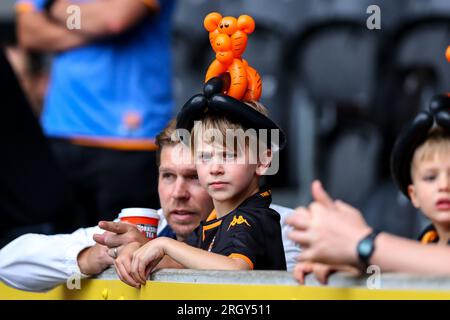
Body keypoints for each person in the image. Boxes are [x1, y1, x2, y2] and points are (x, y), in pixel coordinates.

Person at [0, 120, 298, 292]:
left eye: (193, 177)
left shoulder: (284, 225)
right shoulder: (143, 223)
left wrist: (161, 249)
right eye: (168, 176)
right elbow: (9, 262)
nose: (178, 193)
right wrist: (98, 255)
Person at [115, 76, 288, 287]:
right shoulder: (215, 219)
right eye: (205, 157)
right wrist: (139, 251)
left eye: (229, 155)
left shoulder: (253, 218)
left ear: (262, 161)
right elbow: (189, 264)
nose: (215, 168)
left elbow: (235, 269)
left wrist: (164, 244)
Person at [15, 0, 175, 229]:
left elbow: (115, 19)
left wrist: (55, 8)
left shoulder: (57, 6)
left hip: (130, 141)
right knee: (59, 254)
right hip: (60, 131)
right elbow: (28, 33)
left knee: (129, 255)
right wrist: (94, 27)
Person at [287, 95, 450, 283]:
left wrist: (362, 244)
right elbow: (413, 269)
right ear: (413, 195)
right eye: (430, 177)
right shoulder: (427, 241)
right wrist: (351, 264)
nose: (444, 185)